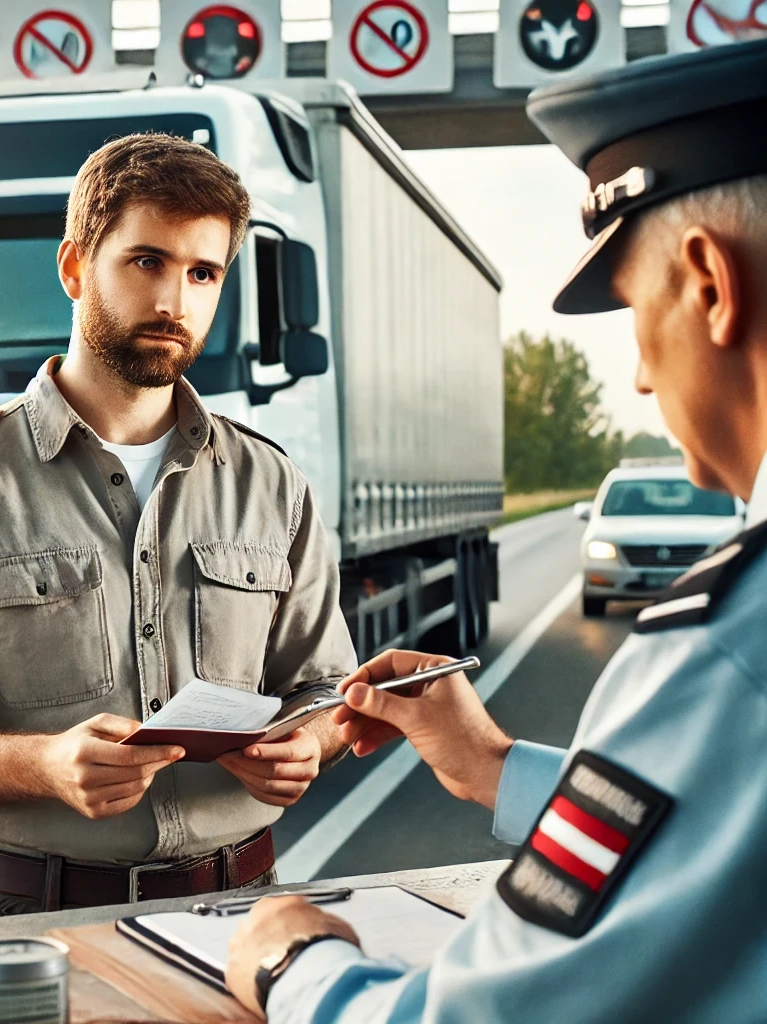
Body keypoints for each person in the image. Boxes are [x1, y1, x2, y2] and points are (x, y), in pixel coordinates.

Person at [225, 38, 767, 1022]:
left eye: (636, 311)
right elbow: (710, 824)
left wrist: (292, 960)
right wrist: (493, 767)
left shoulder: (728, 650)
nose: (641, 377)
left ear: (707, 284)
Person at [0, 132, 355, 919]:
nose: (173, 301)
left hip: (246, 910)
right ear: (75, 266)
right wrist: (44, 764)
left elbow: (323, 685)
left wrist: (309, 742)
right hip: (31, 921)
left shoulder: (272, 483)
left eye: (202, 272)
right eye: (147, 261)